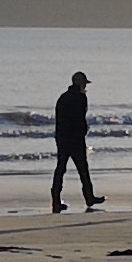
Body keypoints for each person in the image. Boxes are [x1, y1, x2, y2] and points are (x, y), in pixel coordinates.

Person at [51, 71, 106, 213]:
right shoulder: (80, 97)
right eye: (84, 83)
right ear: (79, 83)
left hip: (62, 137)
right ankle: (89, 197)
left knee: (61, 168)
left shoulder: (63, 97)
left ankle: (56, 200)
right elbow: (80, 117)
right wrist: (83, 130)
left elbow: (60, 118)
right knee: (82, 169)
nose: (85, 86)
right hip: (75, 138)